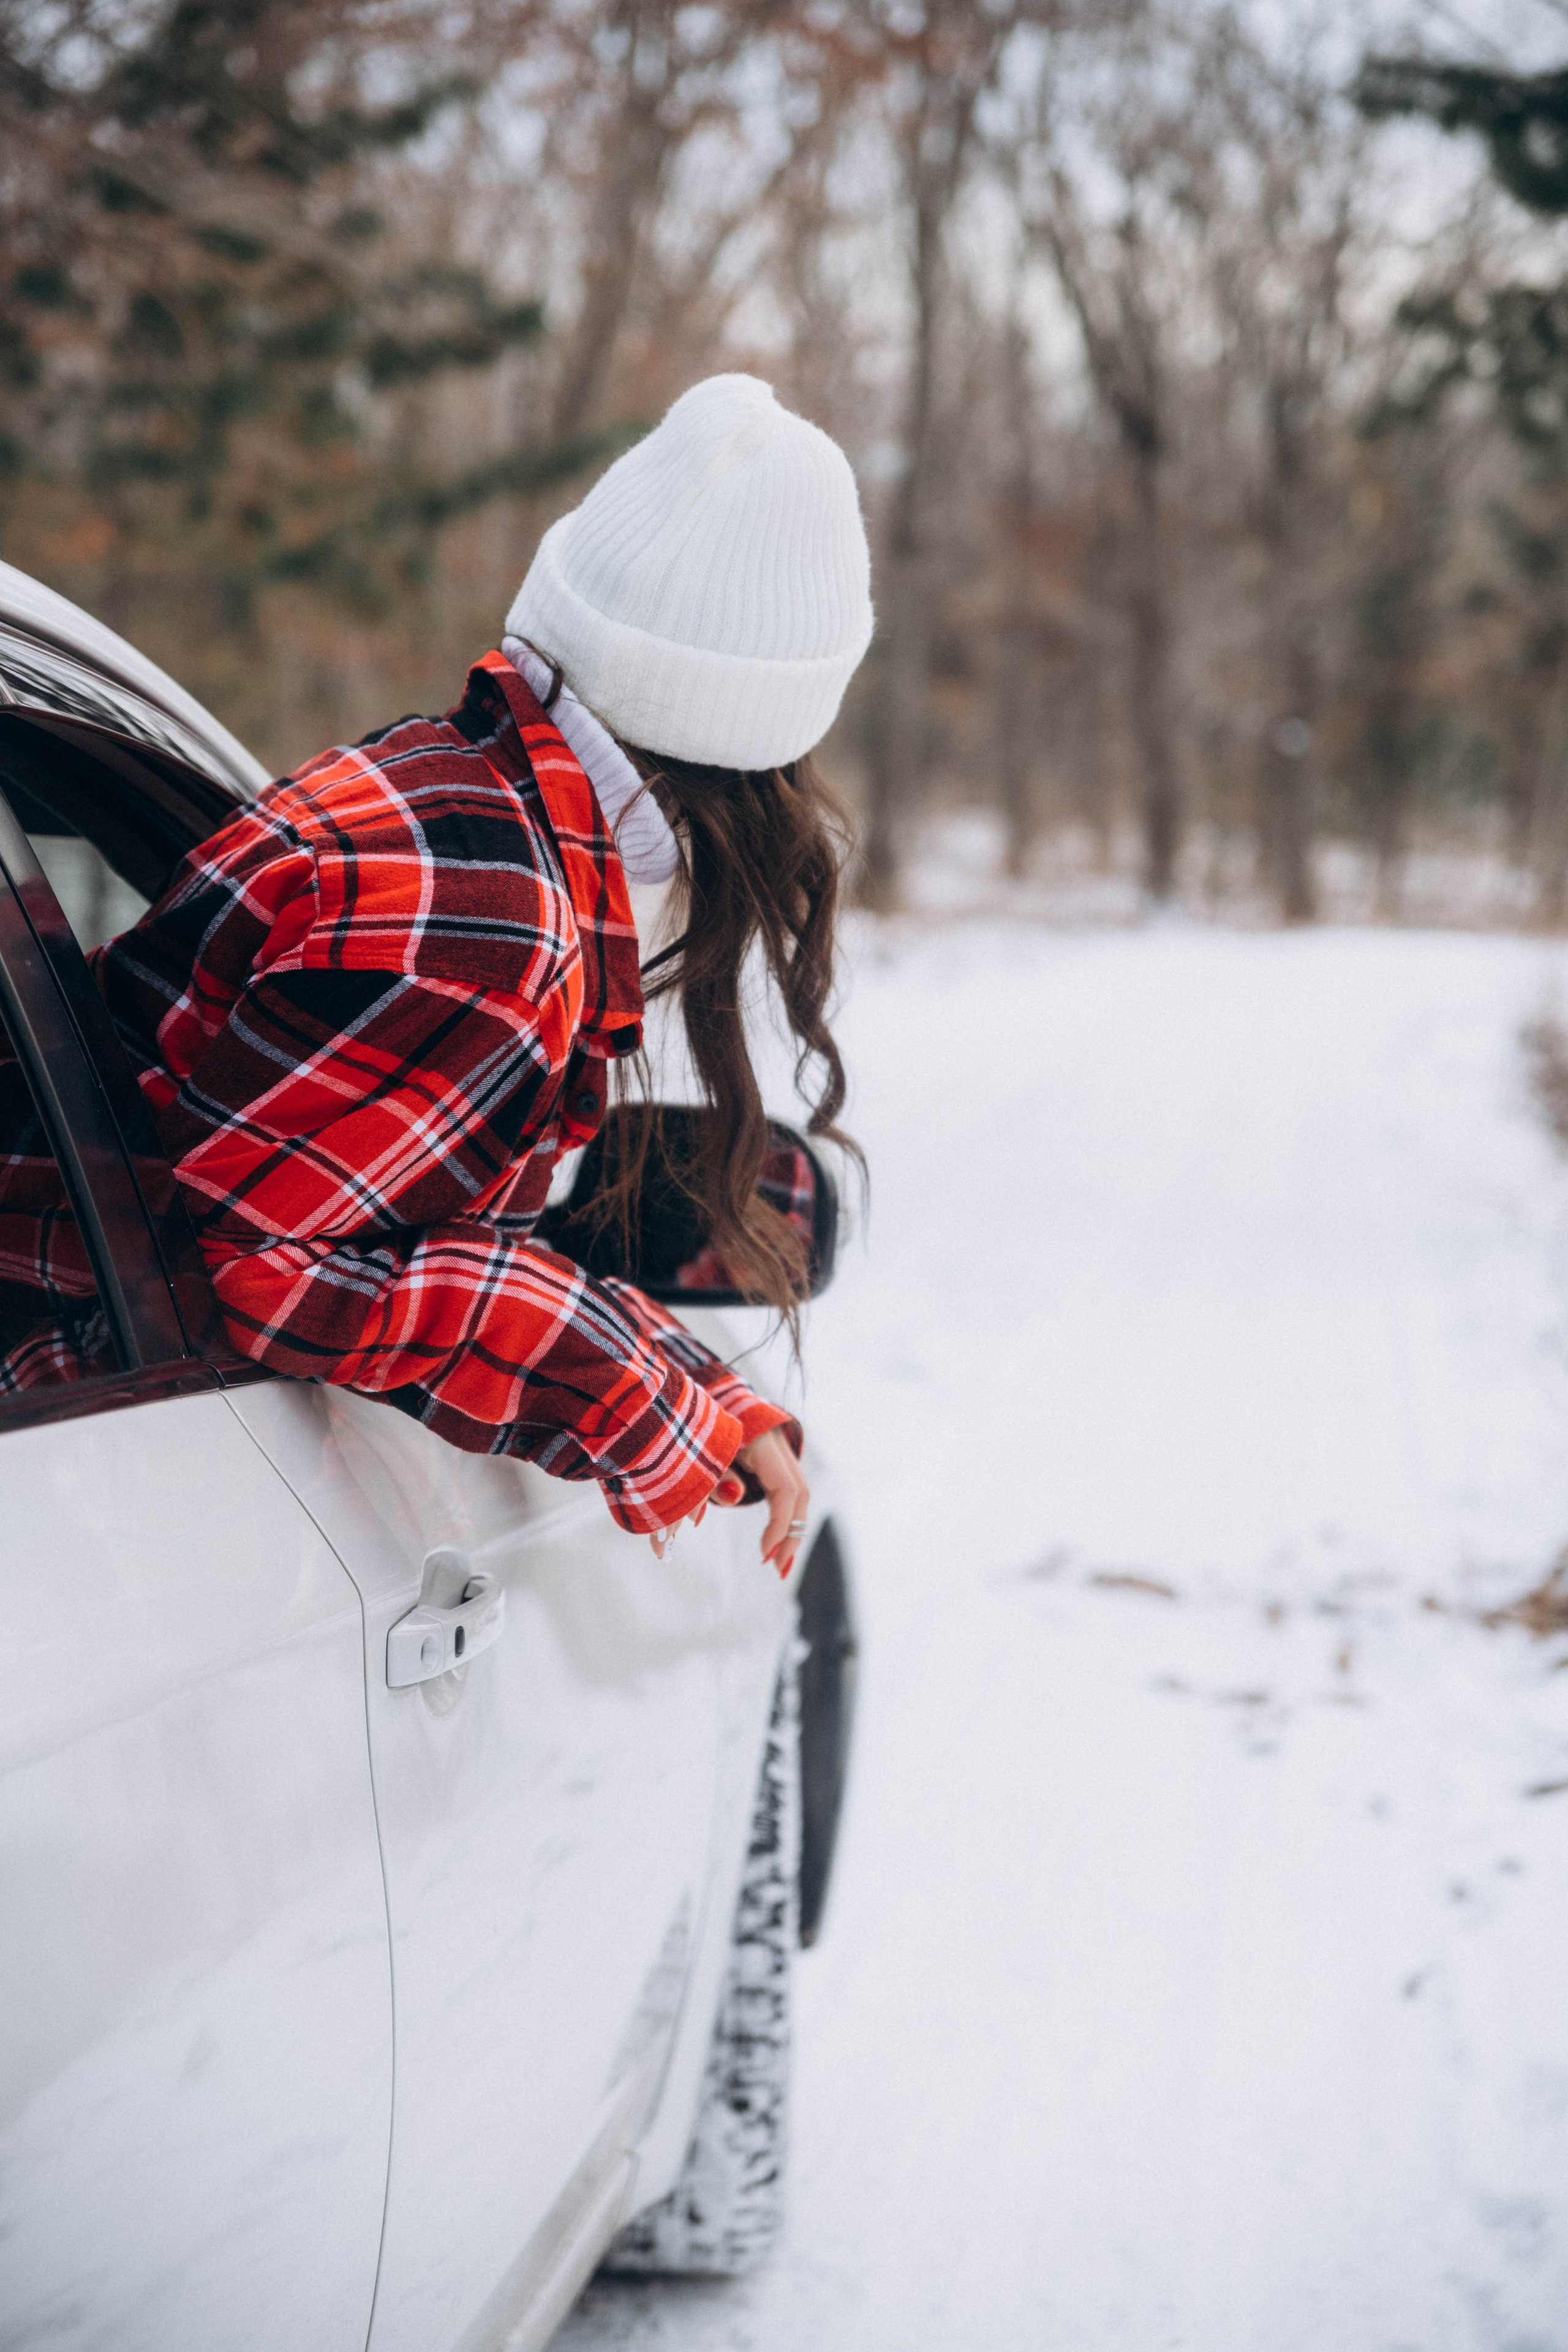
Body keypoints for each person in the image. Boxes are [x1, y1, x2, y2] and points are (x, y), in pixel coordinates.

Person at [39, 374, 873, 1581]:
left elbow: (387, 1221)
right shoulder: (485, 917)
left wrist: (687, 1386)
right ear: (766, 729)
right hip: (84, 1486)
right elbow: (271, 1268)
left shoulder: (433, 794)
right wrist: (649, 1408)